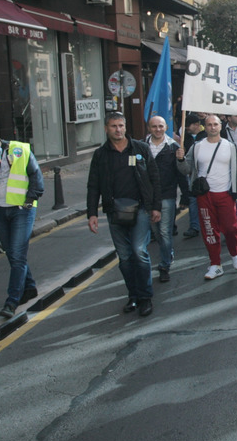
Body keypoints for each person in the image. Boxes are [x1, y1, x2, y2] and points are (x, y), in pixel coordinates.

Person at [86, 112, 162, 317]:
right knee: (125, 257)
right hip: (114, 212)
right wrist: (91, 213)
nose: (118, 130)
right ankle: (134, 295)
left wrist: (156, 207)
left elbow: (154, 178)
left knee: (139, 251)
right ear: (106, 129)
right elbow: (93, 186)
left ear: (126, 127)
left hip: (141, 210)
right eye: (113, 126)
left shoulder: (141, 149)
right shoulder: (101, 155)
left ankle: (146, 297)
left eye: (121, 125)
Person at [0, 123, 45, 319]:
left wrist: (30, 201)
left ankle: (12, 301)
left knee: (18, 255)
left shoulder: (19, 148)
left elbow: (36, 176)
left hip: (22, 210)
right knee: (12, 253)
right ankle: (29, 287)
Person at [184, 114, 237, 280]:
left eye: (215, 124)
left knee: (230, 228)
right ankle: (215, 264)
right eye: (209, 124)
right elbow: (185, 169)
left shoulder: (231, 147)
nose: (212, 127)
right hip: (204, 196)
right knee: (209, 231)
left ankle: (235, 253)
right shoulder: (197, 147)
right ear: (204, 127)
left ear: (221, 126)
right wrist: (179, 159)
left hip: (225, 195)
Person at [145, 116, 185, 283]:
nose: (158, 129)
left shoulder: (174, 147)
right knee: (155, 232)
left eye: (161, 126)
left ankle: (164, 265)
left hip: (167, 196)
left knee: (164, 231)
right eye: (154, 126)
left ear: (166, 127)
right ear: (149, 128)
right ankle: (168, 252)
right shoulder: (141, 147)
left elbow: (181, 174)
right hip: (147, 198)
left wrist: (185, 195)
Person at [181, 115, 205, 238]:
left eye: (188, 125)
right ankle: (194, 226)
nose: (186, 128)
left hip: (207, 176)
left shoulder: (205, 136)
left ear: (196, 124)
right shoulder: (185, 138)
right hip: (193, 175)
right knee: (193, 201)